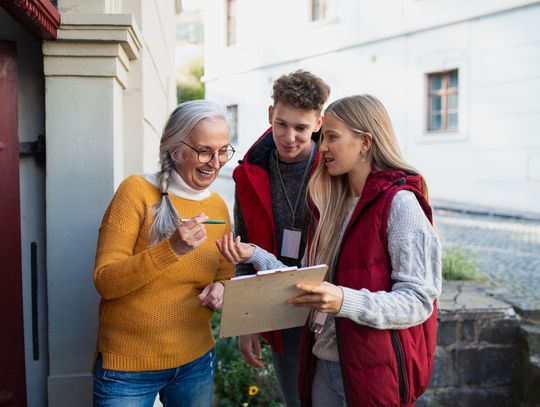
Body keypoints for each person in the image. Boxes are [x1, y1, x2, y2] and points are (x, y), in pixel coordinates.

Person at [217, 94, 442, 406]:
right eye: (323, 138)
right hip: (323, 365)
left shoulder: (401, 205)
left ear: (365, 142)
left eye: (331, 138)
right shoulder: (330, 204)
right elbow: (304, 282)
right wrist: (255, 254)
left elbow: (419, 301)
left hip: (373, 373)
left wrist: (342, 300)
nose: (320, 148)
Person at [92, 100, 236, 407]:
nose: (216, 161)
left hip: (195, 360)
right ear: (175, 150)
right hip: (128, 367)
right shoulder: (136, 192)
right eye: (204, 150)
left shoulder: (218, 206)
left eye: (223, 150)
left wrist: (221, 289)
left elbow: (225, 274)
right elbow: (106, 281)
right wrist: (171, 249)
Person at [232, 70, 330, 406]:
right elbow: (242, 251)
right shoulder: (249, 173)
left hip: (333, 308)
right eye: (282, 124)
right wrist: (248, 321)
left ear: (318, 122)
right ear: (271, 115)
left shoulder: (335, 169)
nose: (289, 137)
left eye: (301, 128)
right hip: (280, 307)